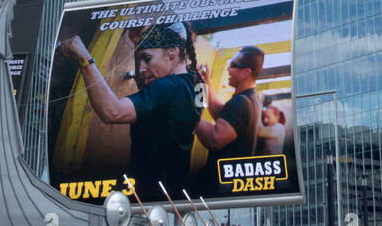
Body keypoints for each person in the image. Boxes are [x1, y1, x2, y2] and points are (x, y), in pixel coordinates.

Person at [59, 22, 200, 201]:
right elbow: (149, 90)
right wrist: (138, 46)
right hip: (176, 191)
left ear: (172, 52)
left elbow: (112, 112)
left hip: (150, 196)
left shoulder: (166, 87)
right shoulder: (196, 82)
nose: (141, 69)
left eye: (147, 59)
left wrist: (84, 59)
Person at [191, 46, 264, 194]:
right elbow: (222, 113)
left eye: (233, 65)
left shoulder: (241, 103)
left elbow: (214, 139)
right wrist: (205, 81)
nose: (228, 69)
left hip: (217, 187)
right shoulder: (251, 99)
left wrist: (189, 112)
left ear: (246, 72)